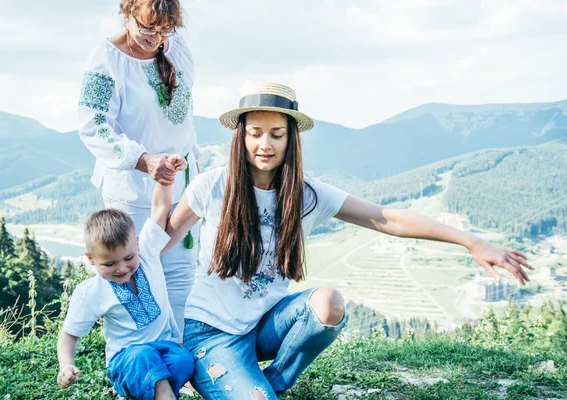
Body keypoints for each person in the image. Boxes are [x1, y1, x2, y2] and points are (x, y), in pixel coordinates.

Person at [162, 83, 534, 399]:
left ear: (291, 138)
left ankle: (270, 384)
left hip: (264, 326)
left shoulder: (305, 194)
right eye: (255, 132)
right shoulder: (212, 186)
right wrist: (110, 260)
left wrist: (471, 242)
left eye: (276, 134)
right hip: (210, 332)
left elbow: (386, 218)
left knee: (328, 304)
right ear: (240, 135)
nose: (265, 144)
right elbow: (164, 237)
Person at [77, 0, 199, 336]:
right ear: (128, 13)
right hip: (131, 191)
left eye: (164, 30)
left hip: (181, 185)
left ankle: (181, 363)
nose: (156, 38)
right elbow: (93, 124)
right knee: (131, 276)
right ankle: (133, 358)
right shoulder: (106, 59)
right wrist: (144, 160)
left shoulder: (178, 47)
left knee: (179, 274)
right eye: (148, 28)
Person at [56, 154, 193, 400]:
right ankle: (160, 393)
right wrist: (66, 365)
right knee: (143, 357)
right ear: (90, 259)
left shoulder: (148, 253)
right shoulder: (91, 292)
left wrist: (166, 175)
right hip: (126, 359)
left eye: (128, 258)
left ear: (137, 245)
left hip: (164, 348)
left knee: (183, 360)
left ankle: (150, 391)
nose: (121, 268)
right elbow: (69, 334)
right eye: (109, 263)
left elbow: (160, 209)